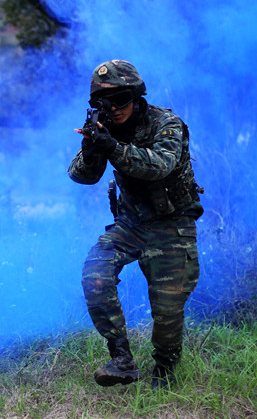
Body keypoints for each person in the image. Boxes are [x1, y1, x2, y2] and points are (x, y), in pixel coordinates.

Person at [68, 60, 203, 390]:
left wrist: (112, 146)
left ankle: (166, 371)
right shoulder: (105, 127)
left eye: (121, 100)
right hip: (130, 224)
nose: (113, 110)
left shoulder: (167, 124)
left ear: (138, 97)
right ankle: (122, 361)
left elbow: (159, 166)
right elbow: (81, 176)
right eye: (104, 103)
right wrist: (92, 148)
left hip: (172, 225)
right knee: (94, 275)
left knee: (167, 314)